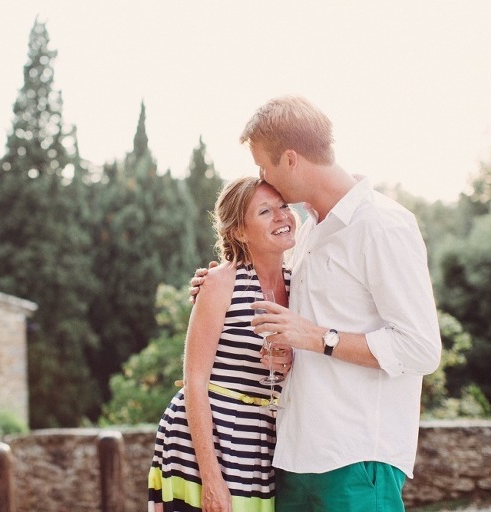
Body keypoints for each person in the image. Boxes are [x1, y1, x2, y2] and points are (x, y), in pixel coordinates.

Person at [191, 95, 442, 511]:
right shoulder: (308, 231)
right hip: (293, 459)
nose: (261, 175)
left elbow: (420, 349)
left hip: (356, 462)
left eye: (263, 166)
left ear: (290, 159)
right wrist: (219, 283)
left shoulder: (382, 225)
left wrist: (317, 338)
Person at [148, 176, 299, 512]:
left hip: (263, 442)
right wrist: (212, 479)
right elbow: (194, 382)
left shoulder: (302, 284)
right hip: (204, 445)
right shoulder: (220, 283)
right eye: (265, 211)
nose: (281, 216)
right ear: (240, 232)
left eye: (284, 206)